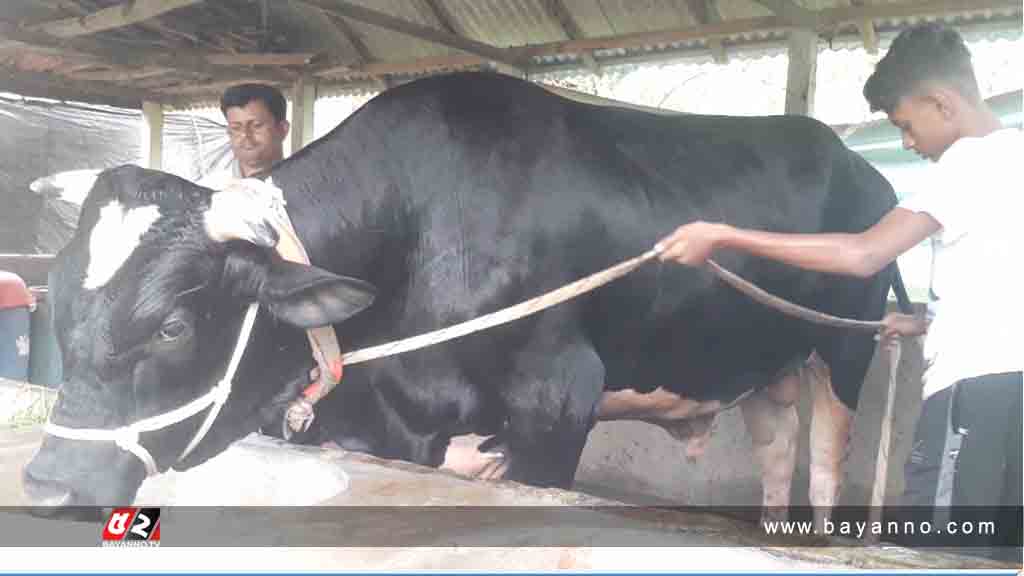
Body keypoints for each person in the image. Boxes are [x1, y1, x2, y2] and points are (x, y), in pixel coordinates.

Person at [656, 23, 1020, 551]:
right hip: (1015, 401)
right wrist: (924, 322)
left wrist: (724, 234)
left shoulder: (964, 164)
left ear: (941, 103)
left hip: (972, 403)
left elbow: (863, 254)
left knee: (946, 554)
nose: (906, 142)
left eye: (906, 125)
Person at [199, 83, 289, 188]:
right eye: (236, 128)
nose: (245, 135)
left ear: (282, 129)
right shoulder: (209, 190)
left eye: (256, 125)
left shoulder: (305, 184)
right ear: (229, 132)